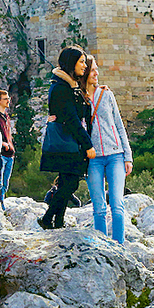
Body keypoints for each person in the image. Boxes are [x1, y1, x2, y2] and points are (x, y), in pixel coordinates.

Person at [38, 46, 96, 229]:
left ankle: (58, 221)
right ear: (71, 63)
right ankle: (48, 219)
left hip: (69, 143)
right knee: (69, 184)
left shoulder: (70, 86)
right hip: (67, 144)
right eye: (81, 62)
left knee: (66, 183)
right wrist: (88, 144)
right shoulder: (62, 88)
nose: (84, 66)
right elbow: (71, 119)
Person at [81, 55, 133, 244]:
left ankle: (119, 247)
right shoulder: (79, 98)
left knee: (117, 206)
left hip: (115, 155)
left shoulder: (107, 94)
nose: (97, 73)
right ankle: (103, 248)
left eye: (96, 69)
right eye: (93, 70)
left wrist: (128, 156)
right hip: (92, 157)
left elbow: (119, 125)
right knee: (99, 208)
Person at [0, 90, 16, 209]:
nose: (8, 100)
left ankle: (2, 202)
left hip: (10, 154)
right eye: (5, 99)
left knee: (5, 183)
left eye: (8, 98)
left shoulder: (6, 116)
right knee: (0, 182)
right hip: (1, 153)